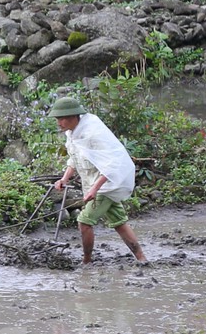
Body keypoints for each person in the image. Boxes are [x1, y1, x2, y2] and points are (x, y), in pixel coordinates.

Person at [48, 97, 147, 265]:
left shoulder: (93, 133)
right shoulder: (71, 134)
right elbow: (74, 159)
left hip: (106, 185)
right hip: (94, 185)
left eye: (61, 118)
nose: (59, 122)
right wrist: (64, 179)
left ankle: (87, 262)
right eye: (57, 119)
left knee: (84, 222)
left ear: (73, 117)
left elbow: (110, 165)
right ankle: (142, 258)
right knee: (119, 222)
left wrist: (95, 189)